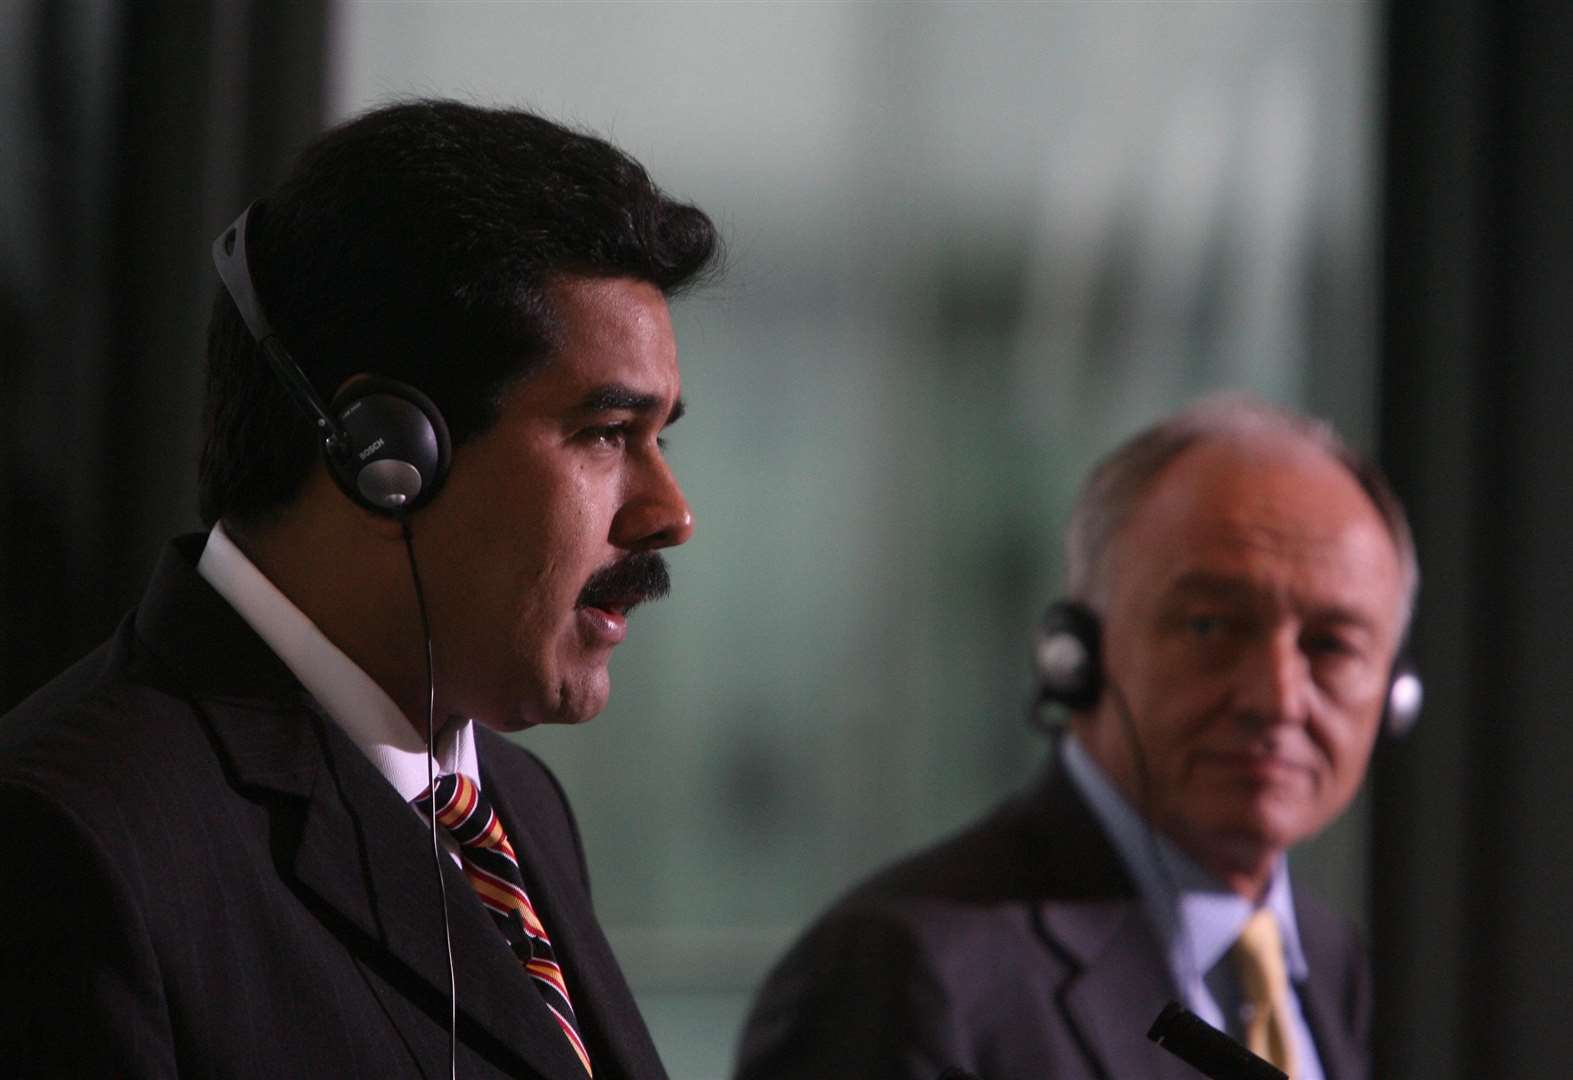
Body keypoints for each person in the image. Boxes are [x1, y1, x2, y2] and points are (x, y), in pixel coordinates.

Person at [0, 99, 719, 1079]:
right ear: (387, 452)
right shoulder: (71, 841)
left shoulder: (516, 802)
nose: (669, 513)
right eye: (606, 434)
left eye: (659, 437)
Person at [735, 395, 1417, 1080]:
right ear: (1075, 655)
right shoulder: (898, 972)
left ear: (1393, 693)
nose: (1275, 699)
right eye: (1210, 626)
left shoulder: (1335, 966)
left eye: (1330, 645)